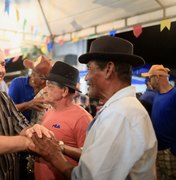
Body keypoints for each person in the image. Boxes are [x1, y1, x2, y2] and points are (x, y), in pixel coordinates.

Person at [29, 36, 157, 180]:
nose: (86, 78)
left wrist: (54, 155)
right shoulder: (120, 109)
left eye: (89, 69)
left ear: (108, 69)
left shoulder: (120, 114)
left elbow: (88, 177)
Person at [0, 49, 54, 180]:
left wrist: (33, 129)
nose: (2, 70)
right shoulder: (18, 83)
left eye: (2, 64)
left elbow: (20, 123)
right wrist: (25, 142)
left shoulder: (4, 98)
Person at [34, 61, 92, 180]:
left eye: (50, 86)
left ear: (65, 91)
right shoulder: (49, 112)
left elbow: (90, 156)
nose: (44, 90)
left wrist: (60, 146)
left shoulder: (82, 118)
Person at [141, 64, 176, 179]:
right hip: (158, 150)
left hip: (170, 152)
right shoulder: (157, 95)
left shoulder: (174, 95)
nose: (149, 81)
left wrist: (173, 149)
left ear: (157, 77)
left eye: (150, 77)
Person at [8, 55, 53, 123]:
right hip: (16, 128)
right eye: (32, 72)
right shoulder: (17, 83)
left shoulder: (49, 90)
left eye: (35, 74)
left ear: (43, 79)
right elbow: (7, 110)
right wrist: (28, 104)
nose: (31, 76)